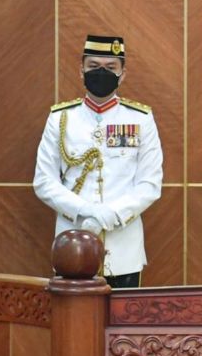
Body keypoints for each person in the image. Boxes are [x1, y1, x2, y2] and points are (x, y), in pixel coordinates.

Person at [33, 35, 163, 288]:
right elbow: (44, 181)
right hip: (72, 245)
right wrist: (86, 211)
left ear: (123, 73)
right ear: (81, 70)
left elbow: (149, 185)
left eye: (110, 68)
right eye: (93, 67)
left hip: (123, 248)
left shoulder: (141, 119)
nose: (101, 73)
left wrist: (107, 216)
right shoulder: (61, 119)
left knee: (122, 324)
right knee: (74, 324)